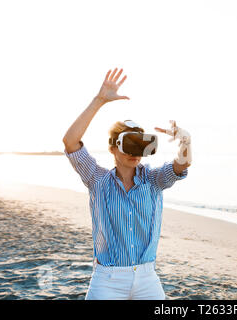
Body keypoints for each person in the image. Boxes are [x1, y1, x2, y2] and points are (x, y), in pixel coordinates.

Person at [62, 67, 192, 300]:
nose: (135, 153)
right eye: (128, 144)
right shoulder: (97, 179)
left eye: (139, 145)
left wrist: (185, 142)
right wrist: (99, 100)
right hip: (107, 279)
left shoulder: (153, 180)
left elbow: (181, 166)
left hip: (147, 278)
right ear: (113, 147)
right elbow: (70, 141)